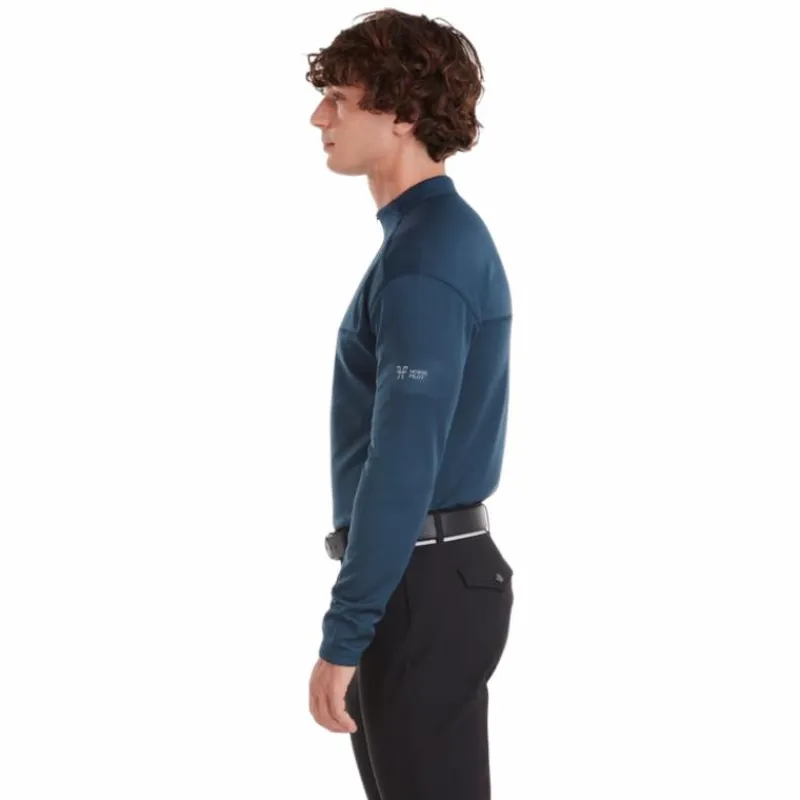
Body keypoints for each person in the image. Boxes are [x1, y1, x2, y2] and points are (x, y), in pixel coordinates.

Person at [305, 10, 514, 800]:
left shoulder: (428, 254)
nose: (319, 117)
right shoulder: (421, 239)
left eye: (339, 98)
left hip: (423, 586)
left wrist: (345, 630)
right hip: (423, 577)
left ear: (403, 113)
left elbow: (402, 460)